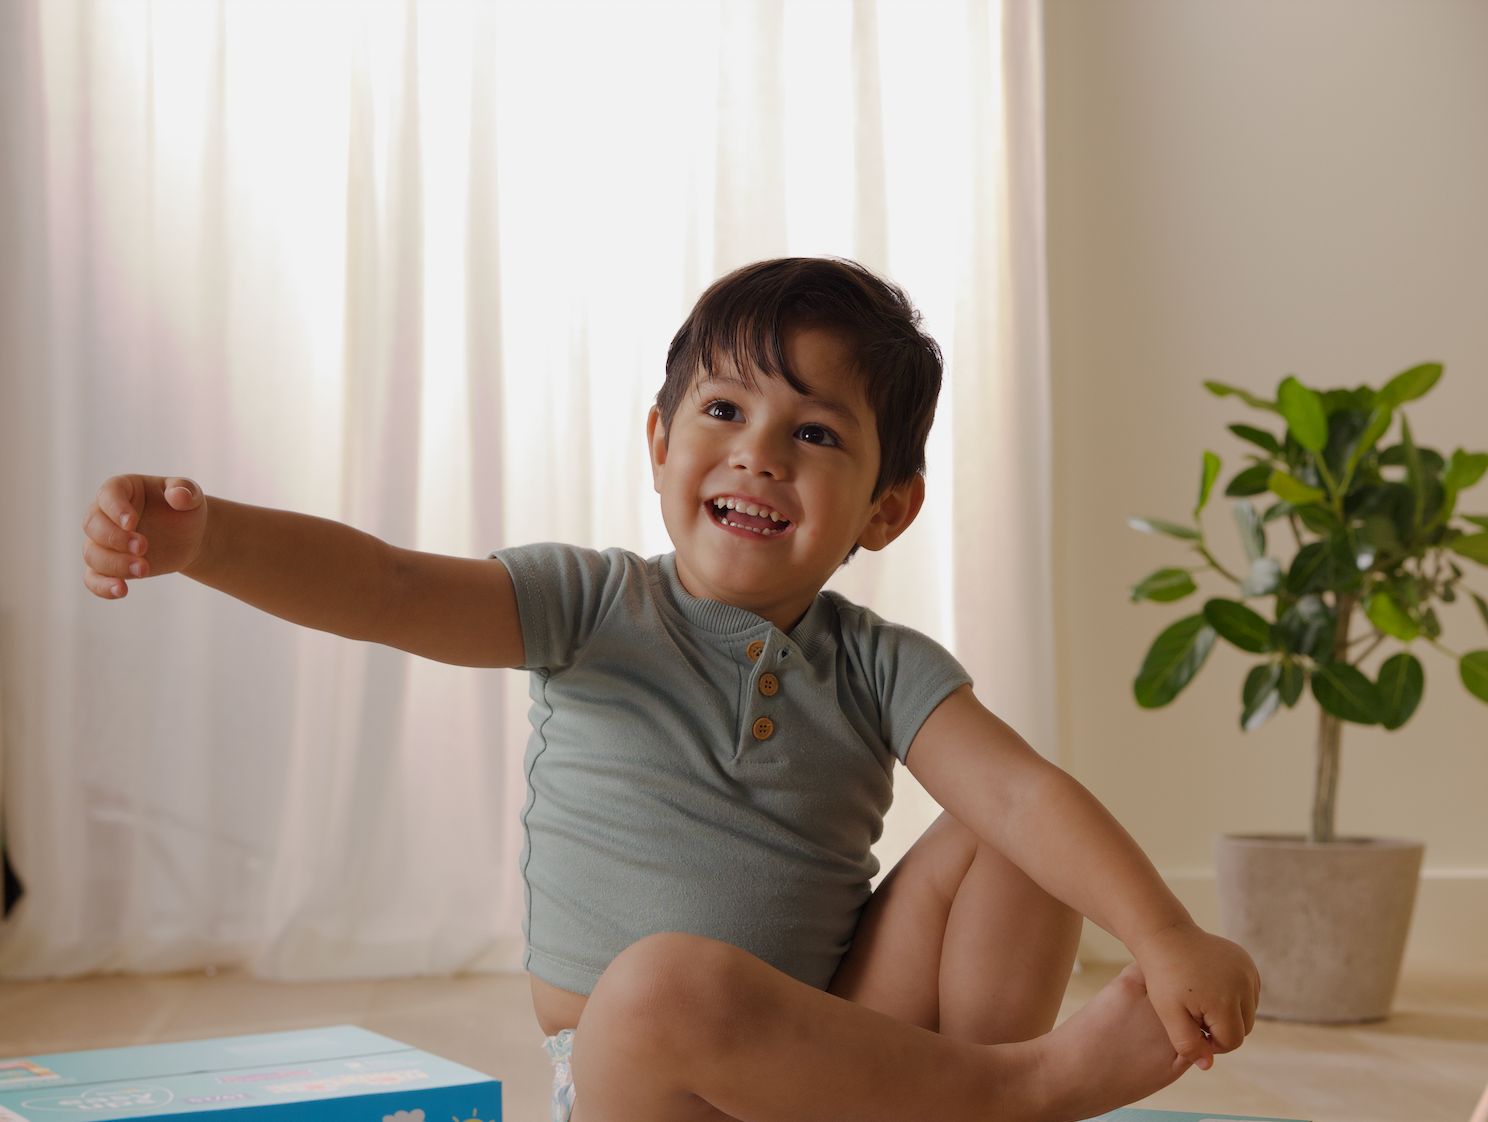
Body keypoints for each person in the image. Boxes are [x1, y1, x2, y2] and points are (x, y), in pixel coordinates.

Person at [82, 257, 1259, 1122]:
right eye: (726, 411)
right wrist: (209, 542)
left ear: (888, 511)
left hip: (843, 1061)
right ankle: (1019, 1093)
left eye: (817, 435)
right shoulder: (592, 607)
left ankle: (965, 1102)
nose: (759, 453)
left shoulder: (879, 663)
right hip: (642, 1079)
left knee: (1013, 838)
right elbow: (385, 585)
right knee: (659, 982)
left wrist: (1162, 932)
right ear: (659, 442)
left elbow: (1018, 796)